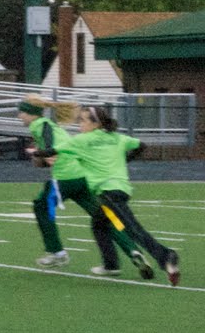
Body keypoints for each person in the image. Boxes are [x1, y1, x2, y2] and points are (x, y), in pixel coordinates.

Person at [52, 104, 181, 285]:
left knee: (132, 230)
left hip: (107, 194)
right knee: (99, 224)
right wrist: (126, 159)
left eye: (82, 119)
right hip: (120, 189)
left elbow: (53, 151)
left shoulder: (83, 140)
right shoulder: (116, 137)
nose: (79, 123)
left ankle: (166, 255)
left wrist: (38, 153)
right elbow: (141, 145)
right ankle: (111, 265)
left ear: (95, 123)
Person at [19, 97, 140, 274]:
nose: (19, 115)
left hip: (66, 177)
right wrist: (42, 156)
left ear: (31, 113)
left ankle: (56, 252)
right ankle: (132, 249)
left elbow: (49, 142)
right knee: (102, 215)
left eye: (22, 112)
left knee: (42, 206)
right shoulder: (50, 125)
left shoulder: (40, 123)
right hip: (82, 176)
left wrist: (43, 153)